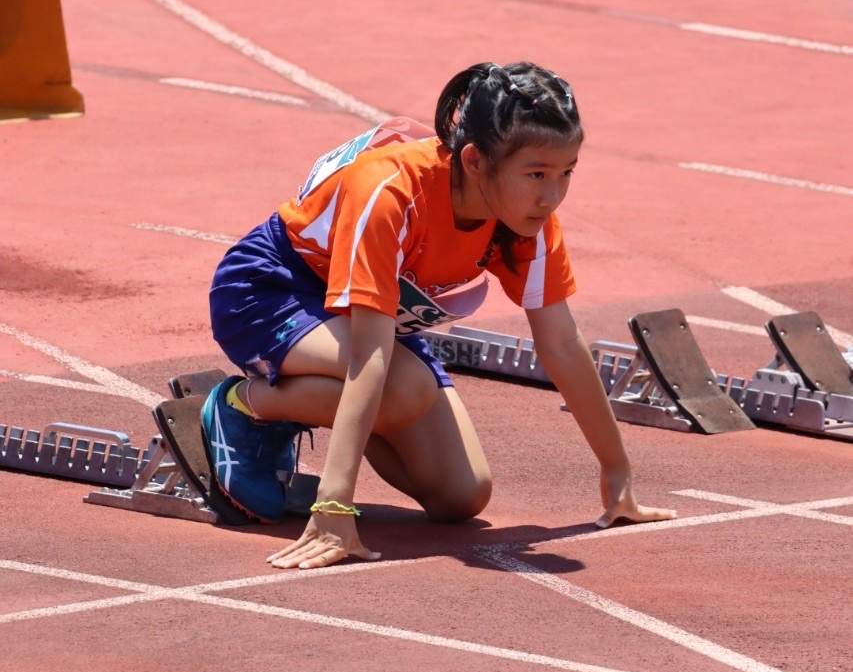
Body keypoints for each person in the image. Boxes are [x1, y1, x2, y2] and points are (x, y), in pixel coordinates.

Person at [201, 60, 676, 570]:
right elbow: (370, 355)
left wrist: (617, 473)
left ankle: (327, 407)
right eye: (537, 174)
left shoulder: (528, 218)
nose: (552, 195)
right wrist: (334, 505)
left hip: (375, 314)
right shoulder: (388, 190)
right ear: (474, 160)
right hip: (271, 292)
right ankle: (244, 405)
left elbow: (560, 343)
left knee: (461, 496)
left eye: (567, 172)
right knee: (404, 387)